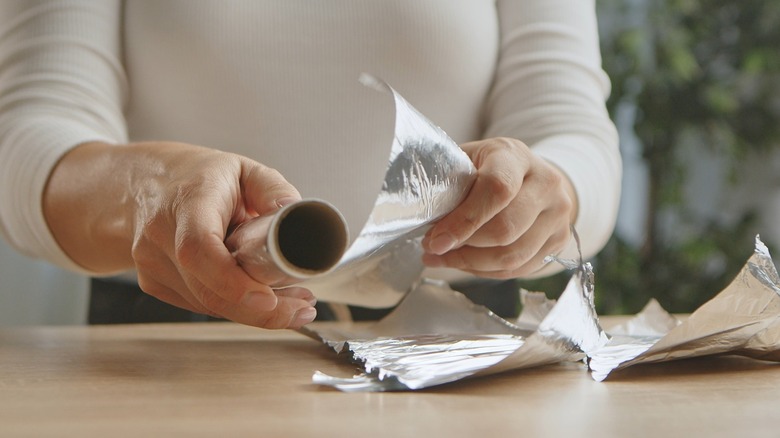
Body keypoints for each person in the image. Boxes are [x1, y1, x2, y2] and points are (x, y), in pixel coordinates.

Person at [0, 1, 621, 329]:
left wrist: (549, 190)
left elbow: (569, 128)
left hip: (452, 355)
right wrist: (150, 188)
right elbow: (29, 138)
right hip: (170, 347)